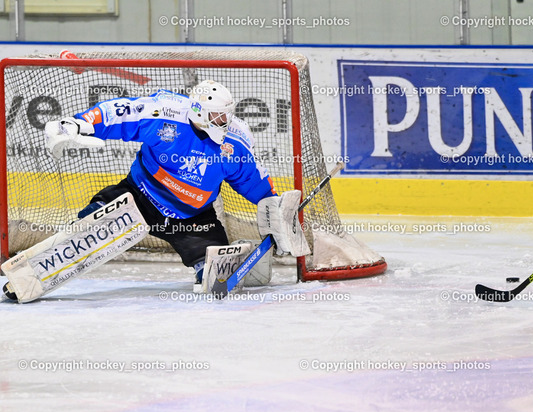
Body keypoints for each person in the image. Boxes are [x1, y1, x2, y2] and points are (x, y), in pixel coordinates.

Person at [3, 80, 308, 301]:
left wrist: (274, 208)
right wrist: (79, 124)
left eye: (226, 115)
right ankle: (31, 274)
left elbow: (251, 180)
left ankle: (205, 262)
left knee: (215, 272)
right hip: (138, 197)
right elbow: (120, 113)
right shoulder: (166, 113)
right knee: (88, 227)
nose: (223, 122)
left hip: (192, 219)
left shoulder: (235, 142)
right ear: (198, 111)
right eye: (217, 116)